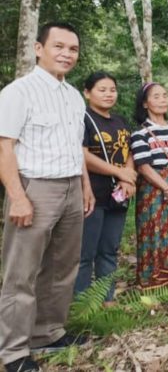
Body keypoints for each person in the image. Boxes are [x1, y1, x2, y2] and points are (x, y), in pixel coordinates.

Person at [0, 22, 95, 372]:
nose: (66, 54)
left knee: (61, 267)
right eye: (58, 46)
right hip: (34, 187)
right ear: (39, 48)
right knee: (21, 273)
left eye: (72, 49)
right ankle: (13, 352)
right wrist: (18, 196)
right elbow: (4, 147)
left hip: (71, 185)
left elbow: (76, 147)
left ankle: (48, 332)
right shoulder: (18, 92)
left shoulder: (72, 95)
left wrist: (84, 185)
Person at [75, 72, 136, 305]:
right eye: (102, 89)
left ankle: (106, 299)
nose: (108, 94)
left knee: (109, 250)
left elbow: (129, 151)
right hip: (92, 193)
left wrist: (127, 178)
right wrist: (118, 172)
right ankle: (81, 305)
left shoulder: (120, 121)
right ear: (87, 93)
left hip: (118, 196)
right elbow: (83, 155)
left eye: (112, 89)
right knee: (85, 254)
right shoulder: (83, 118)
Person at [130, 82, 168, 289]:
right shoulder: (140, 133)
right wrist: (166, 187)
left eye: (165, 95)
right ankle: (150, 281)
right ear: (145, 103)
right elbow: (143, 166)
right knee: (153, 231)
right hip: (153, 191)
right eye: (156, 96)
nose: (163, 99)